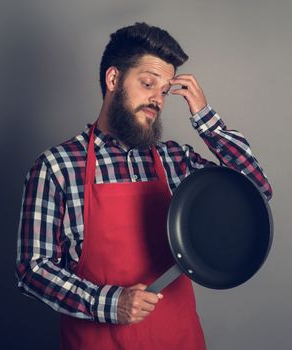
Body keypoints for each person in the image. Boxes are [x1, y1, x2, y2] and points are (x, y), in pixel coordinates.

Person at [15, 22, 272, 349]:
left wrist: (205, 118)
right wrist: (108, 303)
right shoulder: (57, 167)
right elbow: (32, 270)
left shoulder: (175, 161)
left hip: (180, 339)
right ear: (113, 79)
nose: (158, 99)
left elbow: (256, 191)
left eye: (164, 91)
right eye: (148, 83)